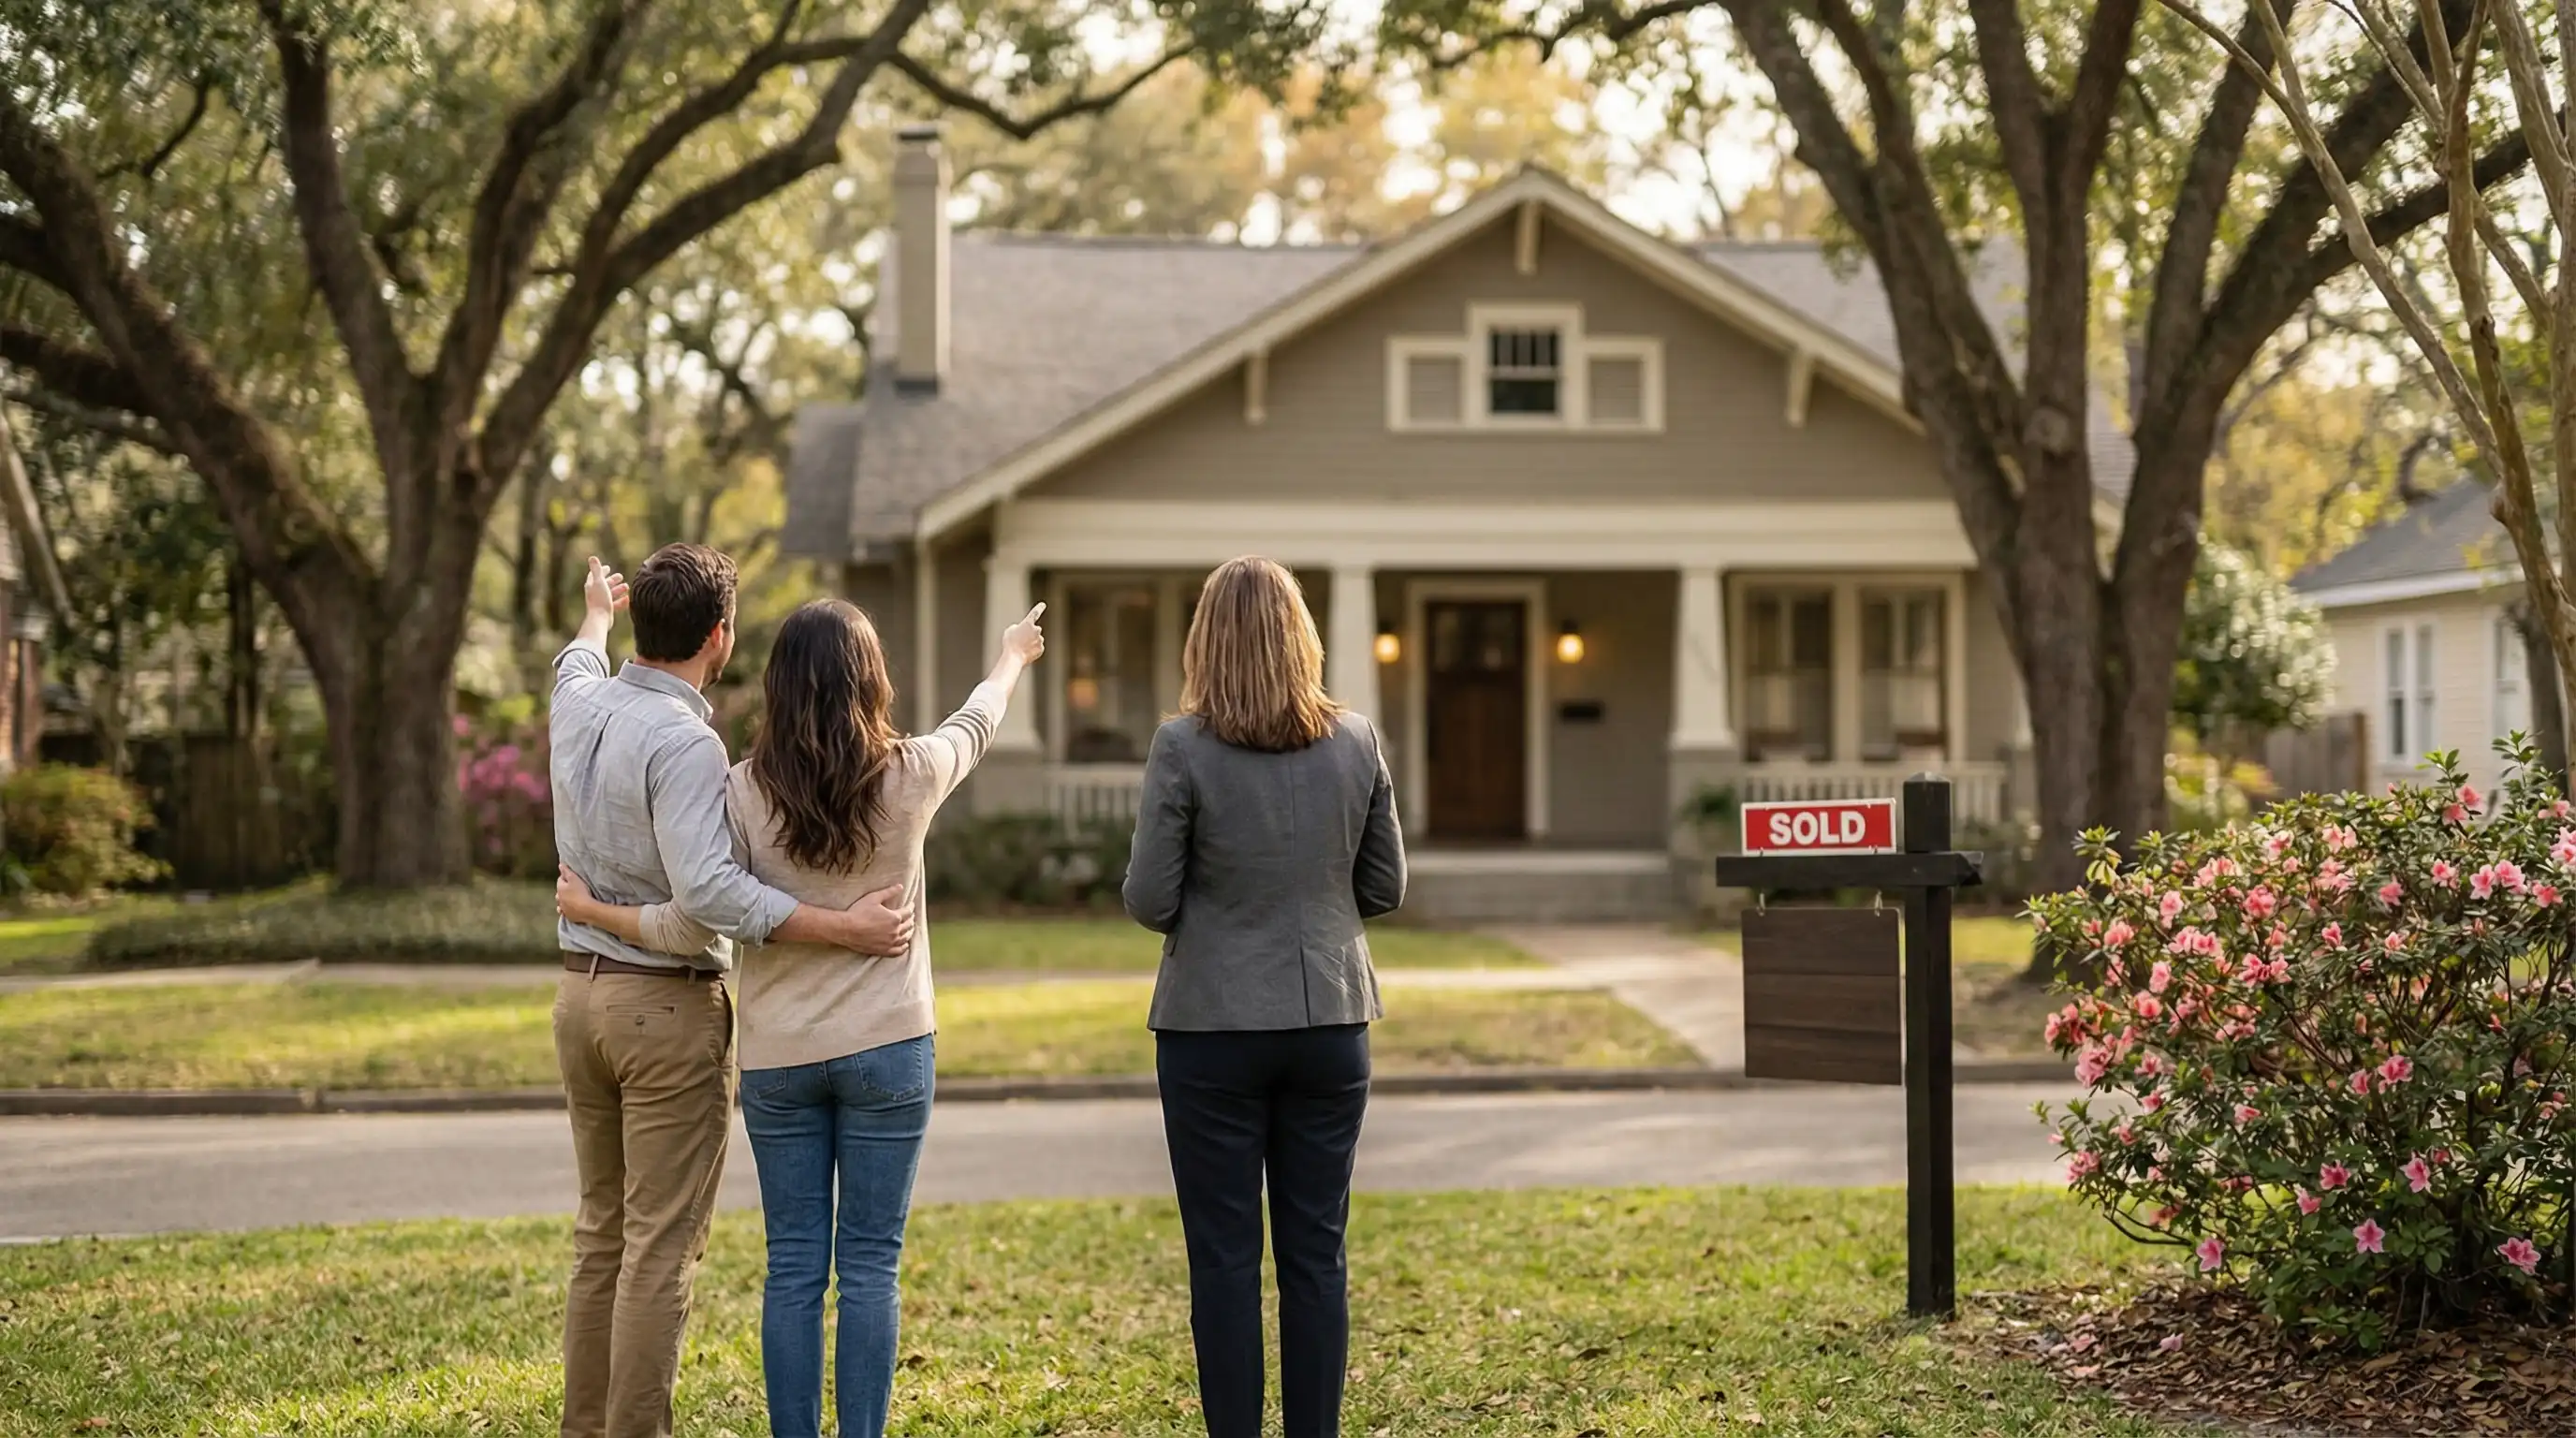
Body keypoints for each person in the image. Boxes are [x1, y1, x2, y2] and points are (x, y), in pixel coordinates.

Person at [557, 594, 1047, 1438]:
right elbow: (979, 719)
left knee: (792, 1269)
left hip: (780, 1060)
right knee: (869, 1269)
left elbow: (693, 916)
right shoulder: (914, 774)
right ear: (873, 680)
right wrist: (1012, 655)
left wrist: (596, 913)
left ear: (779, 686)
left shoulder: (742, 794)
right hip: (891, 1049)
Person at [549, 545, 917, 1438]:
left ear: (640, 622)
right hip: (661, 1007)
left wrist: (595, 612)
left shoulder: (576, 703)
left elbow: (576, 655)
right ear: (720, 636)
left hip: (578, 1001)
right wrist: (842, 927)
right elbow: (710, 894)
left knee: (601, 1233)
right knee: (658, 1247)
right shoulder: (686, 743)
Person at [1122, 555, 1408, 1438]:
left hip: (1212, 1026)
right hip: (1329, 1017)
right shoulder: (1356, 739)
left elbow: (1149, 899)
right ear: (1303, 638)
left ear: (1206, 641)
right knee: (1316, 1256)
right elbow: (1387, 885)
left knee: (1224, 1262)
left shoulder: (1183, 747)